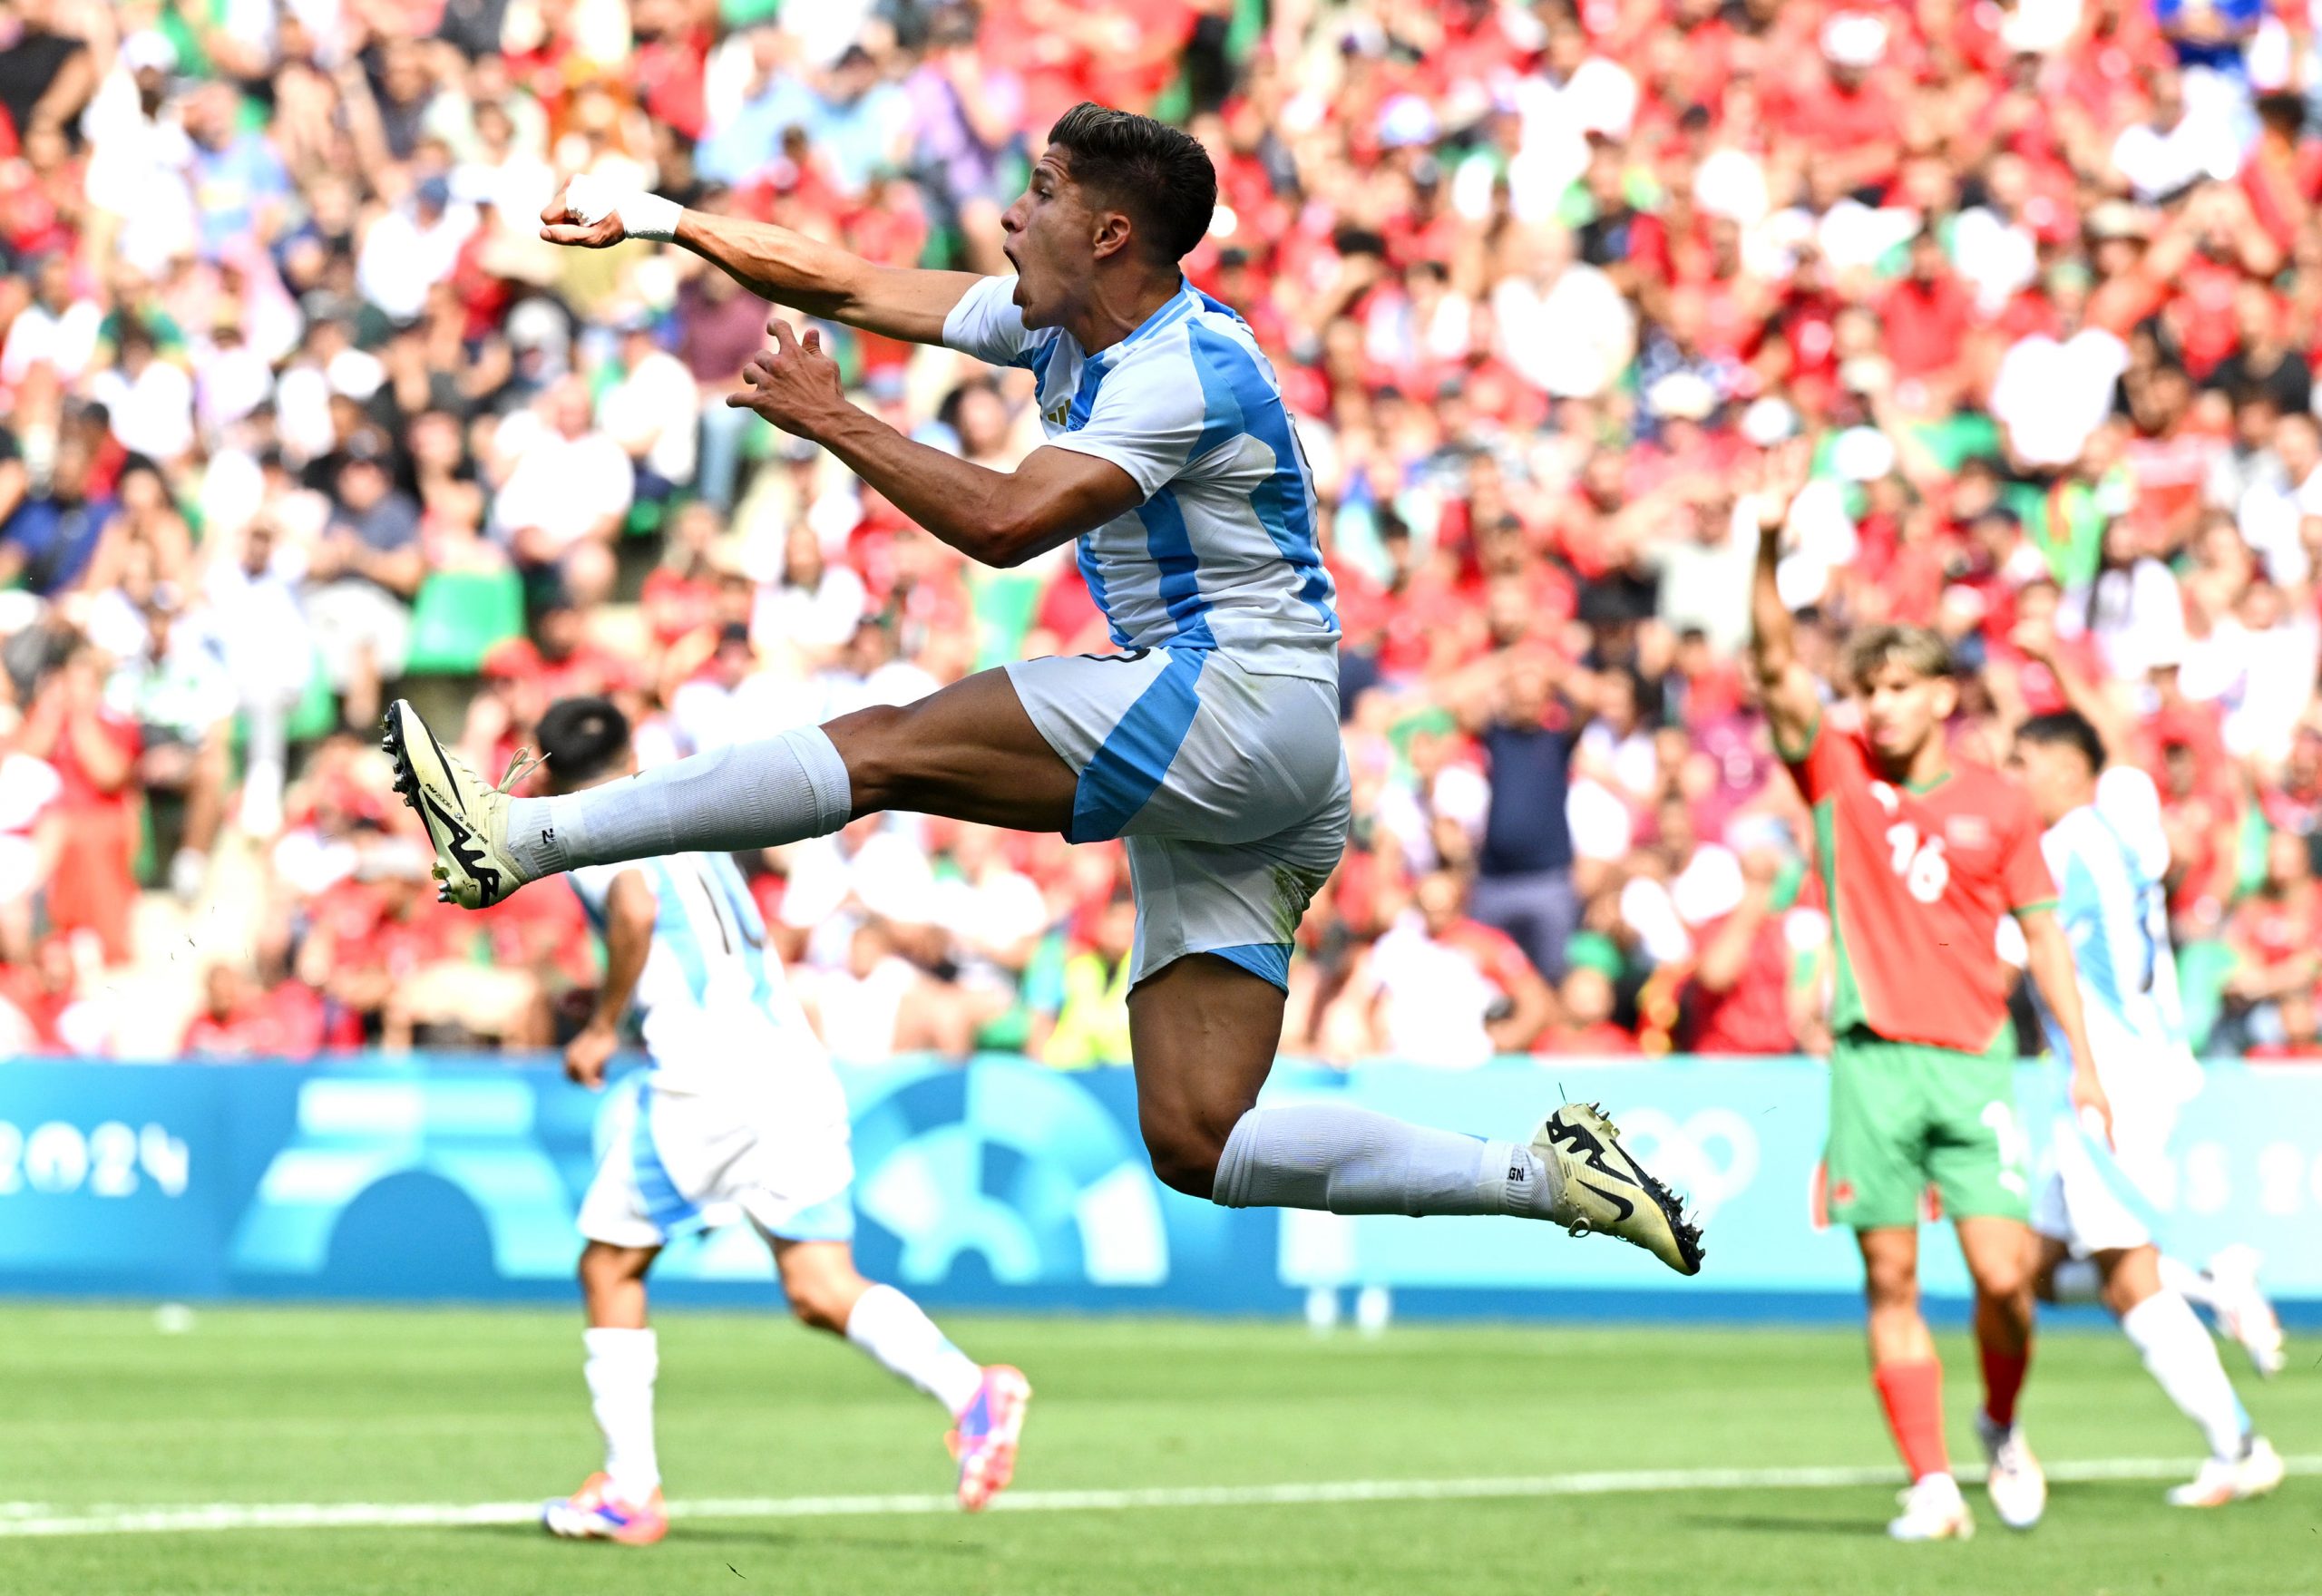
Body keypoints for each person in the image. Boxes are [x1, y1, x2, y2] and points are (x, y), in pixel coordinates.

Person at [382, 103, 1702, 1276]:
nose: (1013, 210)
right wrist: (665, 221)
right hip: (1269, 760)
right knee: (1199, 1138)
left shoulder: (1185, 367)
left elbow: (1012, 526)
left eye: (1042, 189)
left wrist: (838, 423)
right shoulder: (1060, 321)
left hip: (1229, 697)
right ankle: (1541, 1176)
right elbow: (851, 282)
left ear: (1111, 231)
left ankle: (520, 839)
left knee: (885, 748)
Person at [531, 697, 1028, 1546]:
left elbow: (637, 908)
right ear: (633, 747)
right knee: (817, 1283)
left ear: (548, 770)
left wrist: (602, 1026)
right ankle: (971, 1392)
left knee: (609, 1264)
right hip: (790, 1062)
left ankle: (630, 1488)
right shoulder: (679, 808)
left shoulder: (585, 825)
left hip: (707, 1075)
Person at [1749, 443, 2112, 1541]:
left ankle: (1999, 1421)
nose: (1881, 706)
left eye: (1901, 687)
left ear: (1943, 696)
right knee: (1891, 1272)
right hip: (1871, 1059)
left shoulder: (2000, 804)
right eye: (1867, 689)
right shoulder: (1836, 771)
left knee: (2005, 1278)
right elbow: (1770, 667)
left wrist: (2083, 1062)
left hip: (1972, 1060)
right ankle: (1931, 1481)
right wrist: (1763, 547)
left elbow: (2045, 942)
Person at [2008, 710, 2286, 1509]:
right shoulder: (2123, 828)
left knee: (2129, 1275)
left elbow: (2009, 954)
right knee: (2023, 1273)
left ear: (2064, 771)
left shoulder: (2059, 853)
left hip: (2109, 1077)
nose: (2014, 778)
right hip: (2134, 1061)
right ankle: (2211, 1305)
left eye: (2023, 761)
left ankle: (2218, 1331)